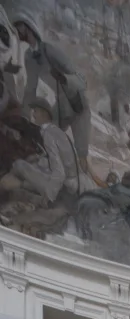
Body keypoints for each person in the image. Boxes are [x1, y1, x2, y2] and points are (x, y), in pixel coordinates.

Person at [13, 10, 90, 166]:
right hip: (60, 106)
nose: (17, 31)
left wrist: (63, 78)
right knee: (47, 139)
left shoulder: (49, 49)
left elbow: (79, 77)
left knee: (81, 154)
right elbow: (30, 88)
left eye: (19, 27)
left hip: (76, 102)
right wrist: (24, 116)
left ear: (28, 28)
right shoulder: (29, 56)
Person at [1, 96, 82, 202]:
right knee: (23, 165)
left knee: (20, 165)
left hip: (63, 186)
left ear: (44, 113)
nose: (33, 115)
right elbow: (57, 159)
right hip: (66, 180)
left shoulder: (48, 135)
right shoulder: (55, 131)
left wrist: (48, 197)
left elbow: (59, 173)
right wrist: (38, 158)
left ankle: (17, 185)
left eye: (35, 111)